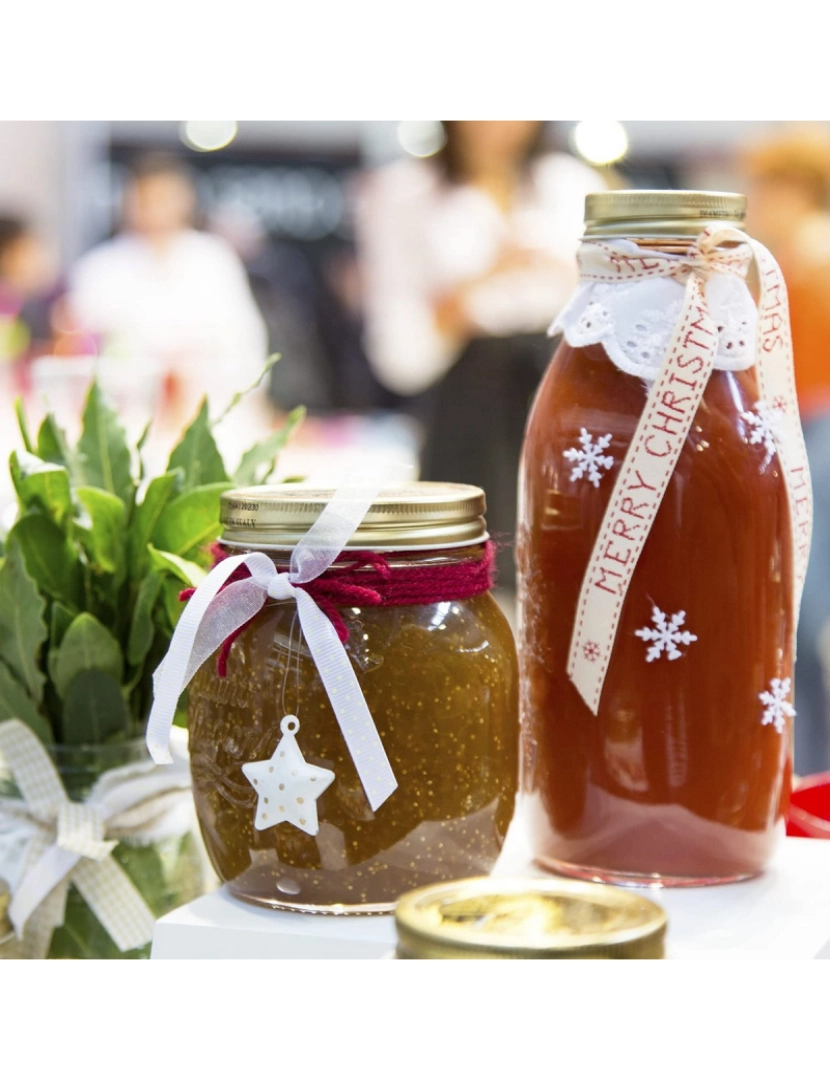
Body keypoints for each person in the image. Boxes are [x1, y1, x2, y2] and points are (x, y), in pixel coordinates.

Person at [355, 121, 604, 589]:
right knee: (470, 570)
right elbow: (398, 349)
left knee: (568, 562)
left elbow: (607, 302)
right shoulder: (403, 192)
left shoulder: (571, 184)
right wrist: (479, 283)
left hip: (561, 386)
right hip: (467, 402)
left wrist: (556, 274)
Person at [67, 153, 270, 446]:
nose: (156, 210)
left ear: (185, 200)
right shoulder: (99, 269)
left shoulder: (213, 259)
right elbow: (82, 355)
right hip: (130, 423)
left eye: (166, 198)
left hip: (213, 419)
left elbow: (246, 344)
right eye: (147, 199)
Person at [741, 126, 830, 774]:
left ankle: (803, 766)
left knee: (796, 611)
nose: (758, 199)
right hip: (806, 428)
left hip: (812, 432)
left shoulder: (805, 259)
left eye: (767, 186)